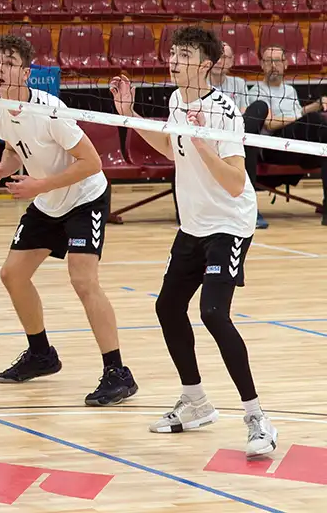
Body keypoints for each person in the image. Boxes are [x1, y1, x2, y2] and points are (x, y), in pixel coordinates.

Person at [111, 25, 278, 459]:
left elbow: (235, 181)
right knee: (167, 307)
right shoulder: (176, 100)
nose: (174, 60)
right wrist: (130, 115)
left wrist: (204, 144)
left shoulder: (224, 113)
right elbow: (172, 148)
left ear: (205, 64)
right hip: (193, 225)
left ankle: (257, 417)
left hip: (229, 224)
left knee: (212, 313)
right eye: (173, 53)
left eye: (184, 55)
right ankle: (195, 401)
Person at [0, 34, 137, 406]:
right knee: (12, 275)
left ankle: (118, 373)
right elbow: (14, 147)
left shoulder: (50, 111)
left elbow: (92, 163)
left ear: (26, 72)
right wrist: (1, 169)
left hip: (85, 198)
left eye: (9, 63)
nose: (0, 69)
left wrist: (38, 185)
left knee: (83, 280)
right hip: (49, 200)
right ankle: (41, 355)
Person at [241, 44, 327, 228]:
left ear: (285, 64)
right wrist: (306, 113)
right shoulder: (256, 91)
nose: (273, 65)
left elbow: (297, 117)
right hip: (273, 147)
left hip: (296, 147)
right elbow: (270, 124)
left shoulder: (290, 91)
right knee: (314, 120)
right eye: (268, 61)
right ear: (262, 65)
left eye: (277, 61)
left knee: (325, 148)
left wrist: (314, 106)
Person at [209, 42, 248, 111]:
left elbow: (244, 112)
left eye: (224, 57)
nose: (218, 61)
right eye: (214, 56)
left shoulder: (239, 84)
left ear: (231, 61)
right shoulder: (196, 84)